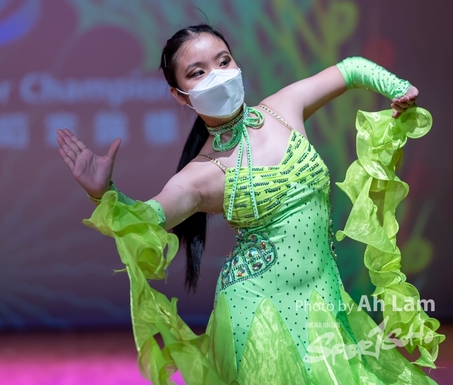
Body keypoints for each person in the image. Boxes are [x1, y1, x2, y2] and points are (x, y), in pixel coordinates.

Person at [56, 24, 444, 384]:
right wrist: (104, 193)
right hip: (257, 317)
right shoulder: (200, 174)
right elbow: (147, 217)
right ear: (179, 95)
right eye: (198, 72)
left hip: (325, 301)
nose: (218, 75)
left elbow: (352, 68)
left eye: (223, 61)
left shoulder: (283, 108)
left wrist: (397, 88)